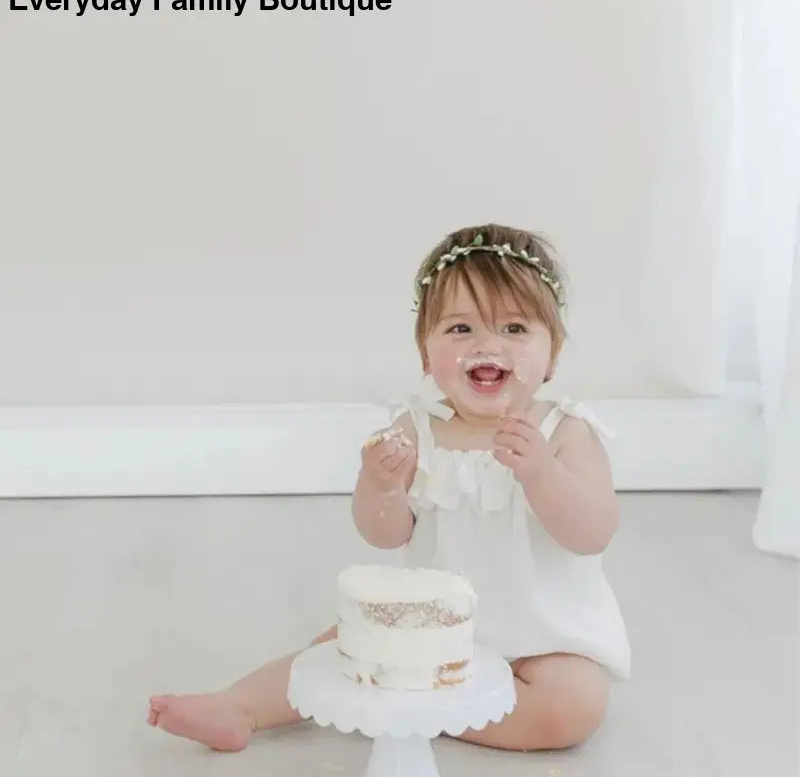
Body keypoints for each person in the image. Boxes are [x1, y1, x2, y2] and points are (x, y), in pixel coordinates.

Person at [147, 222, 630, 753]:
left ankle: (417, 709)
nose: (488, 344)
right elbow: (384, 534)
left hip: (544, 641)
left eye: (515, 329)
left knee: (573, 707)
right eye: (460, 329)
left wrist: (542, 474)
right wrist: (381, 484)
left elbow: (592, 533)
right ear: (426, 354)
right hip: (430, 627)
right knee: (338, 649)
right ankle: (239, 706)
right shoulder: (415, 428)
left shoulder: (565, 432)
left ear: (553, 356)